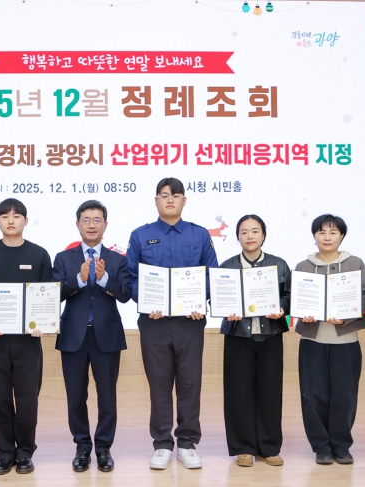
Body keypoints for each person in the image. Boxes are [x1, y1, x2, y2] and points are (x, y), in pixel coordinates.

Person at [126, 177, 218, 470]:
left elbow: (211, 274)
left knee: (190, 383)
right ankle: (163, 444)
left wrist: (199, 301)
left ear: (184, 200)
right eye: (164, 195)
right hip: (154, 323)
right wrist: (146, 300)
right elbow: (130, 278)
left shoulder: (199, 235)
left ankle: (187, 444)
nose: (169, 199)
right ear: (156, 200)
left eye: (175, 195)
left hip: (190, 322)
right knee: (159, 384)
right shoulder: (140, 235)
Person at [0, 198, 52, 475]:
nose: (11, 220)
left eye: (16, 216)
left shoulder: (39, 255)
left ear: (26, 220)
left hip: (28, 342)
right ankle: (4, 453)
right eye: (5, 216)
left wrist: (42, 322)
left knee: (27, 399)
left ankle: (25, 452)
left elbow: (47, 294)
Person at [52, 200, 131, 473]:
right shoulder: (64, 258)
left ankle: (104, 448)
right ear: (78, 224)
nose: (91, 225)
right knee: (76, 396)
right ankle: (82, 447)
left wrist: (105, 278)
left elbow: (125, 294)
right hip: (73, 335)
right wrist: (80, 279)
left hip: (106, 335)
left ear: (105, 225)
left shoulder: (118, 259)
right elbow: (54, 293)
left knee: (107, 396)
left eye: (97, 220)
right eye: (86, 220)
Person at [294, 214, 365, 465]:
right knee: (313, 395)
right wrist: (303, 313)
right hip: (312, 341)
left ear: (342, 236)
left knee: (344, 396)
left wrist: (347, 316)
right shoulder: (303, 267)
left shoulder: (355, 263)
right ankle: (321, 447)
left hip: (345, 342)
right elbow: (296, 299)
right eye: (322, 232)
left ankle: (341, 446)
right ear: (314, 236)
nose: (327, 237)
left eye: (333, 232)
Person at [219, 214, 290, 468]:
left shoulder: (278, 265)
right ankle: (243, 448)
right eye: (244, 232)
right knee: (238, 392)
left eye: (255, 231)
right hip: (238, 335)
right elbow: (218, 298)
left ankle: (268, 447)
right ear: (238, 237)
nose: (250, 236)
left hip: (270, 335)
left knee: (270, 392)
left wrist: (281, 307)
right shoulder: (227, 267)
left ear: (263, 235)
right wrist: (227, 309)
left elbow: (289, 296)